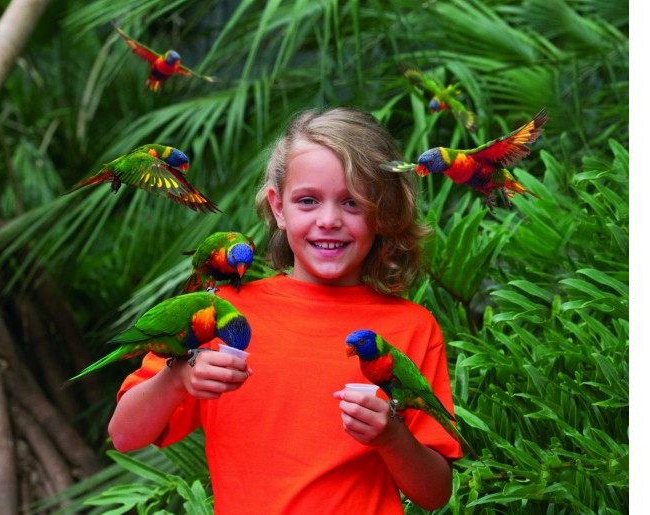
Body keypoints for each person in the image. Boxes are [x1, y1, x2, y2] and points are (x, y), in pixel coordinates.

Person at [108, 107, 462, 513]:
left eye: (352, 202)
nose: (328, 220)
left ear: (382, 211)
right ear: (278, 208)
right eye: (308, 200)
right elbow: (125, 435)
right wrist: (178, 378)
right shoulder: (216, 312)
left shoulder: (411, 327)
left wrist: (392, 436)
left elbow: (434, 493)